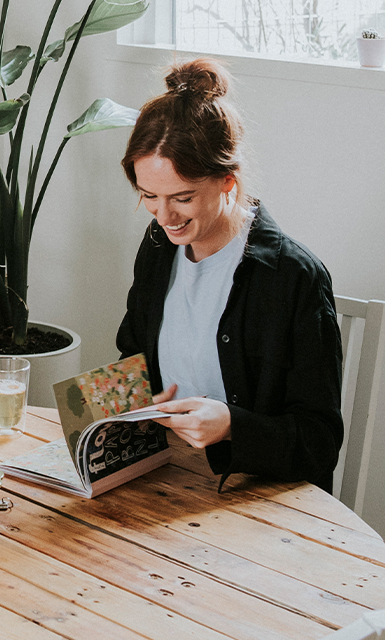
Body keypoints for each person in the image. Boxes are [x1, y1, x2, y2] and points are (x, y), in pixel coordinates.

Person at [116, 58, 343, 492]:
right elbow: (132, 358)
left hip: (260, 497)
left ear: (227, 181)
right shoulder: (159, 246)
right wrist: (134, 402)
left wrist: (231, 426)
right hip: (169, 479)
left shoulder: (293, 277)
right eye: (149, 195)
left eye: (182, 197)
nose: (164, 216)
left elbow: (319, 442)